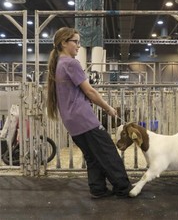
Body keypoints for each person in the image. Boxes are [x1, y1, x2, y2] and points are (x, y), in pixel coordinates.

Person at [46, 27, 132, 199]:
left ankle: (98, 189)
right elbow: (90, 91)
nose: (78, 46)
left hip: (71, 121)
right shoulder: (71, 63)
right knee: (108, 151)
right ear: (64, 43)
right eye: (76, 42)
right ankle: (124, 188)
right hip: (83, 118)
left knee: (92, 156)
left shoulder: (58, 65)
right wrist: (108, 108)